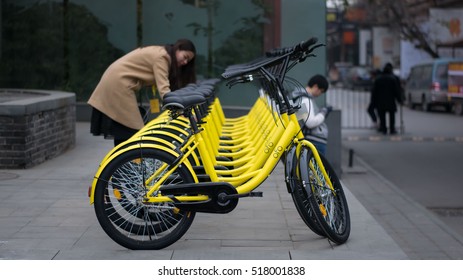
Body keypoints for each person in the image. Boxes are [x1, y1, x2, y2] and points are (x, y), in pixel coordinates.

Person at [88, 39, 197, 146]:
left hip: (117, 82)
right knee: (133, 129)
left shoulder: (161, 52)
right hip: (119, 84)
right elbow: (164, 90)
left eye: (188, 61)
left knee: (126, 130)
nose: (185, 62)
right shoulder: (163, 57)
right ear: (178, 49)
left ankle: (123, 161)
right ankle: (124, 162)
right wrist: (182, 112)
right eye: (185, 57)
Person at [291, 74, 332, 156]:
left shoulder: (300, 98)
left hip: (310, 139)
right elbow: (310, 123)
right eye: (321, 91)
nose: (320, 94)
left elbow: (303, 119)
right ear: (316, 87)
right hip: (314, 140)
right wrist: (323, 113)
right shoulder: (305, 100)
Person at [371, 63, 403, 135]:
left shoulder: (378, 79)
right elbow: (396, 91)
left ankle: (384, 129)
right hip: (390, 100)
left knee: (382, 116)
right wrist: (400, 100)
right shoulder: (393, 79)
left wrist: (373, 101)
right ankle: (392, 129)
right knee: (392, 115)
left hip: (380, 101)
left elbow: (374, 91)